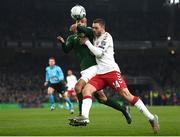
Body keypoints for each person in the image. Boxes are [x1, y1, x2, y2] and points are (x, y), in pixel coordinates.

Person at [73, 18, 160, 134]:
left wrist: (87, 42)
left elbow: (98, 53)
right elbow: (81, 29)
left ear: (103, 28)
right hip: (100, 74)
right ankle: (84, 117)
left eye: (96, 28)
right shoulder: (94, 35)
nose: (93, 30)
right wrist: (78, 24)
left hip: (112, 72)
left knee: (127, 95)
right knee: (86, 90)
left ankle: (151, 118)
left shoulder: (107, 37)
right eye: (93, 27)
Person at [57, 18, 131, 124]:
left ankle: (81, 116)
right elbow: (66, 50)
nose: (80, 23)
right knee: (102, 98)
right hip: (84, 70)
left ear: (86, 23)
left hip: (94, 67)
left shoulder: (90, 33)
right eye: (78, 22)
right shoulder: (72, 38)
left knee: (78, 87)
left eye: (82, 22)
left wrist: (78, 27)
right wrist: (63, 43)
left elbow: (87, 31)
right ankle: (124, 110)